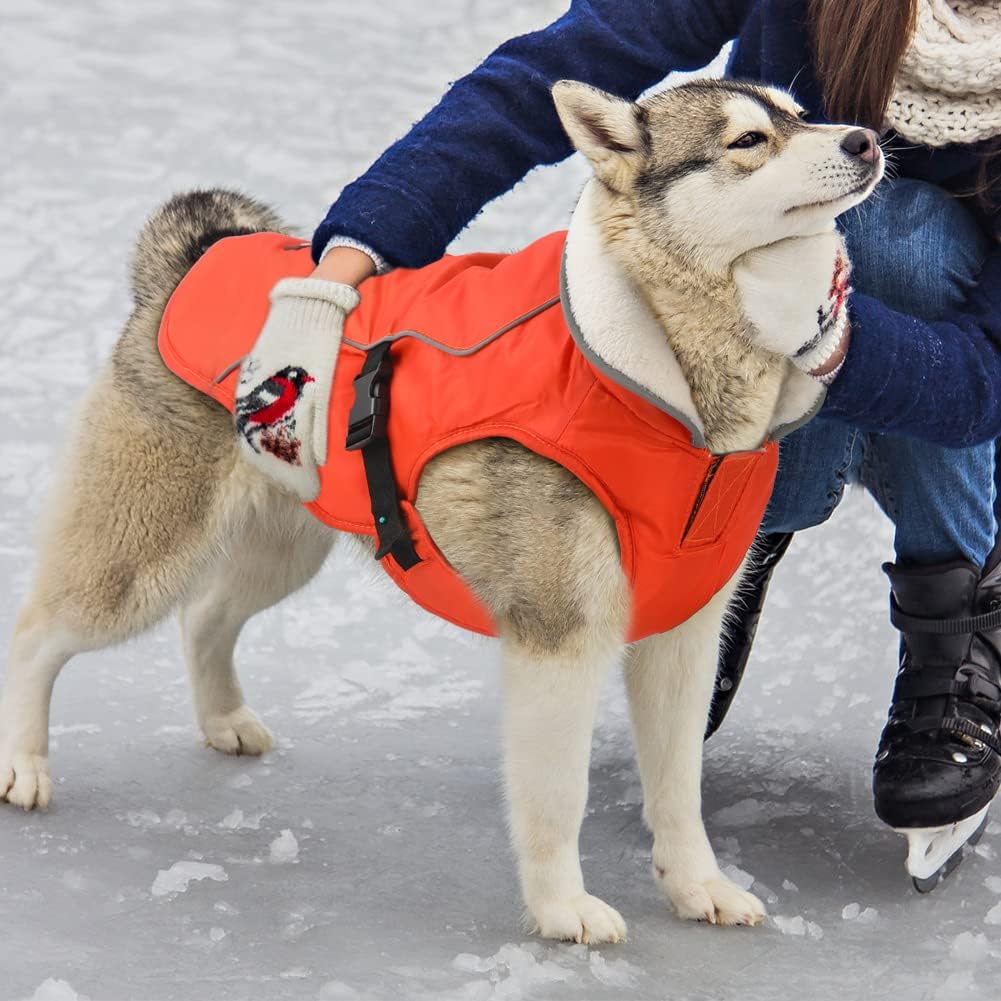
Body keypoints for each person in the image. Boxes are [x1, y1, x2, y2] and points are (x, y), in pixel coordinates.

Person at [247, 0, 1001, 876]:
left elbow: (982, 382)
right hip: (761, 281)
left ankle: (959, 610)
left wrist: (829, 334)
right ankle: (731, 526)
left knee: (886, 240)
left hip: (930, 331)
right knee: (765, 227)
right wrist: (339, 271)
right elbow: (545, 77)